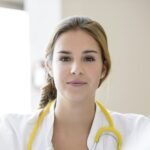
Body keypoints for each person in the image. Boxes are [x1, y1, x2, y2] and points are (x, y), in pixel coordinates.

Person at [0, 16, 150, 150]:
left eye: (88, 58)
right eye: (65, 58)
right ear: (49, 67)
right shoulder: (10, 133)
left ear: (103, 69)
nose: (76, 69)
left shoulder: (140, 133)